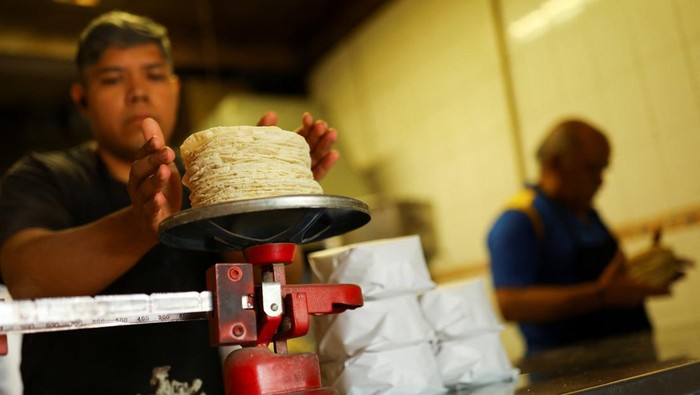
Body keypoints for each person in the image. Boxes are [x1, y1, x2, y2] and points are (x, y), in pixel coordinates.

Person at [0, 11, 339, 394]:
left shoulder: (203, 182)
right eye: (113, 79)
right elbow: (26, 277)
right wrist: (139, 225)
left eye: (155, 75)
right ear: (82, 99)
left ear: (176, 88)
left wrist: (257, 205)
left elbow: (281, 287)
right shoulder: (45, 177)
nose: (138, 91)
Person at [487, 118, 686, 356]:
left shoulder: (586, 213)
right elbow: (509, 304)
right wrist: (601, 296)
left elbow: (607, 279)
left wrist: (648, 270)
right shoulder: (519, 220)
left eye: (604, 170)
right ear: (555, 163)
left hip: (629, 355)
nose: (601, 180)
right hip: (568, 374)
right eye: (592, 168)